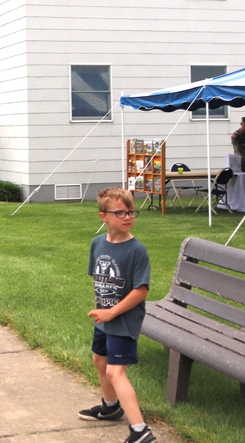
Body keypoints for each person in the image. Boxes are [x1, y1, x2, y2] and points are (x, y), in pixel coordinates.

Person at [79, 187, 155, 443]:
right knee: (99, 360)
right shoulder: (97, 243)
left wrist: (112, 312)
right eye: (120, 212)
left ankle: (140, 431)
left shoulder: (136, 250)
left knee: (115, 371)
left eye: (131, 211)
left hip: (123, 320)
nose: (127, 217)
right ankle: (111, 407)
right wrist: (101, 309)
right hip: (105, 317)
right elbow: (98, 279)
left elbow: (141, 291)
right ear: (104, 216)